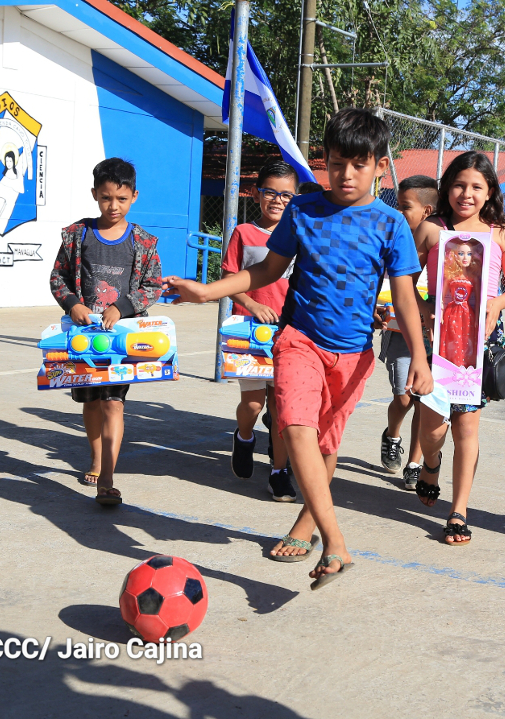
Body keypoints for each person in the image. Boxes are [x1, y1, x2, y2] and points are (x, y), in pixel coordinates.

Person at [163, 109, 433, 588]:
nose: (346, 175)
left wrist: (421, 359)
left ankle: (307, 524)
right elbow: (268, 270)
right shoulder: (302, 210)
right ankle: (336, 542)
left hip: (353, 354)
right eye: (336, 163)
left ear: (379, 166)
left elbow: (406, 297)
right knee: (295, 427)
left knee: (325, 444)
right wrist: (207, 292)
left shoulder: (391, 224)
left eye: (359, 165)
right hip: (299, 340)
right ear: (324, 160)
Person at [413, 151, 505, 544]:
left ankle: (458, 511)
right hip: (437, 339)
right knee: (433, 428)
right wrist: (425, 308)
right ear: (447, 188)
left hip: (479, 340)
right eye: (459, 185)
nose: (467, 193)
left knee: (466, 426)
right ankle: (430, 464)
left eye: (477, 186)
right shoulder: (432, 229)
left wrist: (497, 303)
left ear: (490, 191)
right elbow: (404, 278)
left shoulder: (502, 234)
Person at [50, 158, 162, 505]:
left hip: (120, 341)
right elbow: (58, 277)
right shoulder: (77, 235)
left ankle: (107, 478)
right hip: (84, 341)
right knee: (91, 404)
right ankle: (96, 458)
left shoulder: (143, 241)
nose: (113, 206)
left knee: (114, 404)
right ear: (95, 194)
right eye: (106, 198)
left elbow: (153, 285)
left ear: (134, 196)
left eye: (122, 199)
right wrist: (73, 304)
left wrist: (121, 307)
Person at [221, 159, 298, 501]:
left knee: (281, 408)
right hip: (248, 333)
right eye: (270, 192)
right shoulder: (243, 233)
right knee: (253, 405)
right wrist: (252, 305)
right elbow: (228, 280)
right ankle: (244, 437)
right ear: (255, 194)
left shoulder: (299, 235)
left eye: (286, 195)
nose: (278, 200)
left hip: (289, 333)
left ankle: (279, 472)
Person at [378, 175, 438, 489]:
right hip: (399, 331)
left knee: (423, 400)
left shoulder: (443, 244)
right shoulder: (391, 238)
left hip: (431, 335)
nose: (399, 212)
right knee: (403, 399)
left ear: (427, 211)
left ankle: (414, 463)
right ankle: (392, 436)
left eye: (405, 207)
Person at [439, 239, 482, 366]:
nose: (465, 257)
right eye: (461, 253)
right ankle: (451, 363)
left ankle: (464, 364)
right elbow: (441, 297)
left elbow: (478, 300)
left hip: (467, 313)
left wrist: (477, 318)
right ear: (455, 255)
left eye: (469, 254)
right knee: (452, 337)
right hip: (451, 312)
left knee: (465, 339)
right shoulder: (450, 276)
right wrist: (440, 312)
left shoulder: (473, 278)